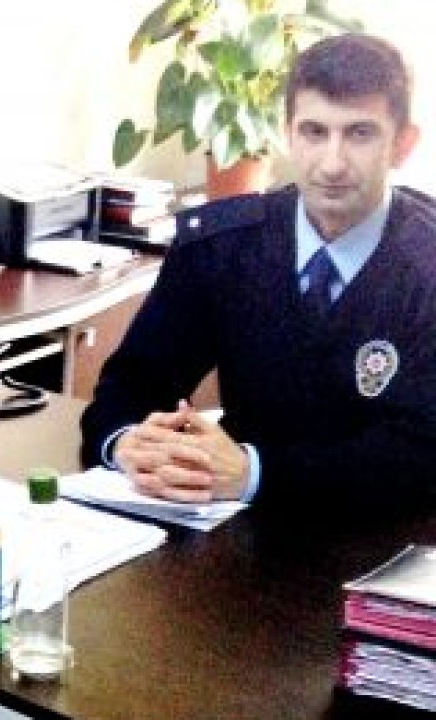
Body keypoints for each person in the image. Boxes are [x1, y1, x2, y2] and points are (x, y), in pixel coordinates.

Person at [80, 33, 436, 514]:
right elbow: (131, 385)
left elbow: (422, 456)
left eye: (359, 134)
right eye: (314, 132)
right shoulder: (222, 245)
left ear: (402, 145)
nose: (332, 164)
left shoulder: (427, 265)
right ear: (287, 133)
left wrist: (255, 474)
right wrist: (127, 444)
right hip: (232, 527)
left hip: (381, 537)